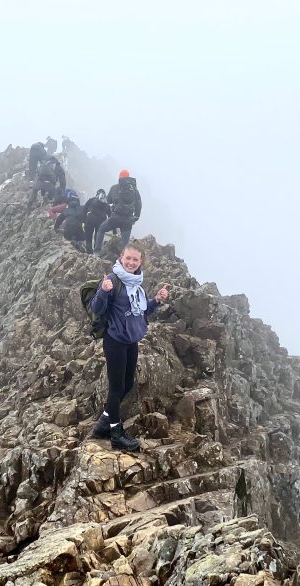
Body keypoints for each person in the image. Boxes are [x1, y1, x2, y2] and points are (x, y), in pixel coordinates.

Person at [87, 242, 170, 451]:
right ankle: (116, 433)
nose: (131, 262)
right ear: (121, 258)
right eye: (128, 258)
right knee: (116, 388)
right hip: (115, 341)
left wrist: (157, 301)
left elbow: (141, 312)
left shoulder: (137, 284)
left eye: (135, 259)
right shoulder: (112, 280)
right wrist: (104, 292)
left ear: (141, 262)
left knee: (127, 385)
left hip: (131, 341)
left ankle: (103, 423)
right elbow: (96, 308)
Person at [94, 170, 142, 252]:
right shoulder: (134, 191)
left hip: (115, 218)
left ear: (119, 177)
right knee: (125, 244)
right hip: (128, 220)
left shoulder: (114, 188)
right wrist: (136, 217)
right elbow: (139, 205)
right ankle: (122, 261)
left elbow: (108, 201)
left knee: (101, 229)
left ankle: (97, 251)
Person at [81, 189, 110, 254]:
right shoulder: (106, 203)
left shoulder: (91, 200)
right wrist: (113, 230)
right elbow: (110, 216)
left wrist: (83, 221)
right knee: (97, 236)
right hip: (101, 222)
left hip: (90, 220)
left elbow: (84, 210)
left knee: (88, 237)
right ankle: (96, 252)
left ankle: (89, 252)